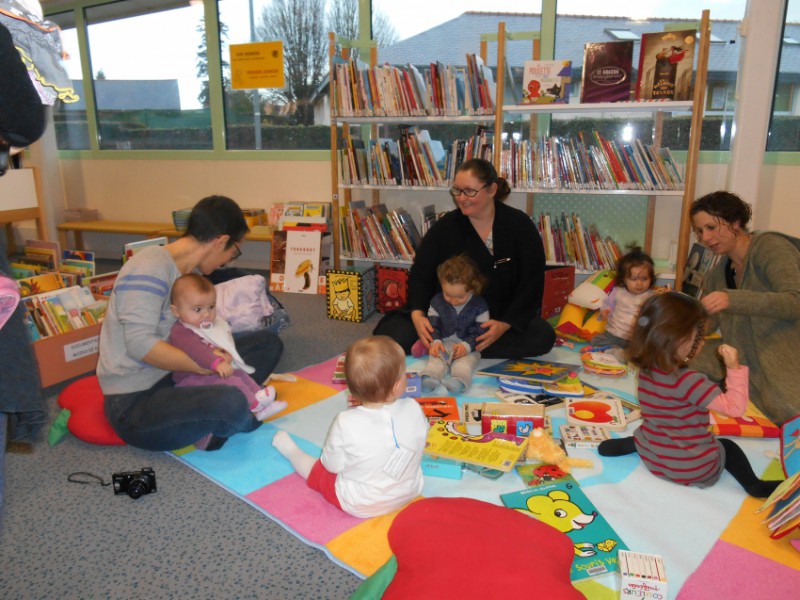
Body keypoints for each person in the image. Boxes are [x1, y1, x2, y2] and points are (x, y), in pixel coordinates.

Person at [98, 195, 284, 452]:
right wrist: (207, 366)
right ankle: (234, 411)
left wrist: (217, 351)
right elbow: (140, 345)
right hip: (137, 400)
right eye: (234, 250)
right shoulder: (148, 268)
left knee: (267, 343)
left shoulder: (190, 274)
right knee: (231, 402)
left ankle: (223, 411)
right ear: (220, 241)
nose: (231, 259)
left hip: (177, 376)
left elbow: (193, 333)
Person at [598, 292, 780, 498]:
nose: (702, 342)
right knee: (727, 446)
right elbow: (735, 408)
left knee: (652, 427)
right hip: (692, 468)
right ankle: (754, 485)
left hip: (654, 457)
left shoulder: (647, 368)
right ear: (680, 340)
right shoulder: (691, 381)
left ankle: (631, 444)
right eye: (699, 336)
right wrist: (734, 368)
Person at [374, 158, 555, 359]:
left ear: (492, 189)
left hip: (493, 318)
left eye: (469, 191)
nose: (461, 198)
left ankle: (458, 347)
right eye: (457, 191)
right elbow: (420, 276)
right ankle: (459, 345)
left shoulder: (520, 225)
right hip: (444, 315)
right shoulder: (445, 228)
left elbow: (532, 281)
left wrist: (504, 325)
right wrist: (417, 314)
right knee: (392, 335)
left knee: (543, 336)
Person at [271, 336, 429, 518]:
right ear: (397, 386)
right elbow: (421, 440)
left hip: (359, 503)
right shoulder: (414, 407)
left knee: (319, 472)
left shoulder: (345, 422)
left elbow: (331, 466)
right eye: (404, 373)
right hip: (410, 490)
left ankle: (291, 451)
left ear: (352, 389)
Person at [689, 190, 800, 425]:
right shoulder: (718, 274)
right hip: (745, 361)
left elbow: (795, 301)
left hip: (784, 359)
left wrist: (733, 299)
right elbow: (708, 326)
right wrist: (684, 325)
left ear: (735, 222)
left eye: (712, 227)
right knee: (675, 360)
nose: (705, 238)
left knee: (788, 415)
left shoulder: (770, 247)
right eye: (700, 231)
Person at [168, 273, 287, 423]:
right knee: (233, 383)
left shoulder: (207, 324)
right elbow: (196, 350)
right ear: (176, 311)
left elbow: (220, 341)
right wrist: (216, 362)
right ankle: (254, 406)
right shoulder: (181, 331)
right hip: (192, 379)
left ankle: (259, 397)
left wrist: (226, 353)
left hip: (214, 371)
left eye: (211, 307)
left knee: (241, 375)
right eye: (197, 309)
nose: (206, 314)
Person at [417, 254, 489, 394]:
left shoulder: (480, 306)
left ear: (472, 290)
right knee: (435, 360)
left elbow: (480, 332)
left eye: (460, 297)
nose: (453, 301)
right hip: (443, 342)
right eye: (448, 295)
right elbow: (433, 326)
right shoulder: (437, 301)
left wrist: (466, 346)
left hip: (469, 346)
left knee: (465, 364)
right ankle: (429, 377)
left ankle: (459, 381)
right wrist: (436, 342)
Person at [589, 246, 656, 355]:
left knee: (649, 351)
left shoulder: (651, 296)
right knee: (595, 340)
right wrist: (605, 310)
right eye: (633, 279)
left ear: (651, 278)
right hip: (613, 334)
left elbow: (655, 315)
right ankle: (617, 351)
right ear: (624, 278)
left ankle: (623, 353)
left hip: (636, 339)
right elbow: (607, 304)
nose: (639, 283)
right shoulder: (617, 292)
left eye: (644, 279)